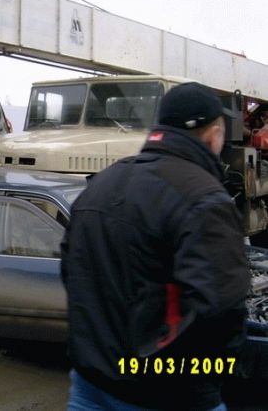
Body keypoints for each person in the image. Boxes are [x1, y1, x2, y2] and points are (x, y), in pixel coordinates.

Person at [61, 82, 250, 411]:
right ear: (214, 134)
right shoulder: (205, 198)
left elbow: (72, 272)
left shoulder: (101, 184)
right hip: (167, 394)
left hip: (90, 383)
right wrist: (204, 380)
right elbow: (222, 310)